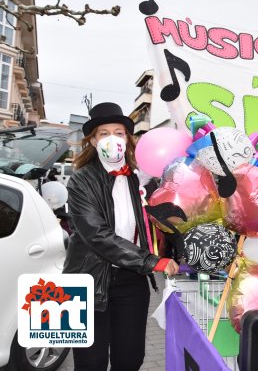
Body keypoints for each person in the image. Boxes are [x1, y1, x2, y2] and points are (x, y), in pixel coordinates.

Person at [64, 102, 179, 371]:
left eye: (119, 132)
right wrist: (151, 262)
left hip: (131, 280)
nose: (113, 139)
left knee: (130, 359)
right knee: (90, 363)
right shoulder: (81, 180)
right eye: (104, 133)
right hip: (88, 282)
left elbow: (167, 218)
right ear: (92, 141)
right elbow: (97, 234)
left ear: (127, 138)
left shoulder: (137, 180)